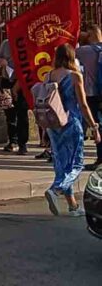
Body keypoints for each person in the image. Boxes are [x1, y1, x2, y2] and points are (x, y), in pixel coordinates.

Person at [43, 44, 102, 217]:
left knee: (62, 163)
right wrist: (94, 126)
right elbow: (83, 104)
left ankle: (72, 205)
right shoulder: (75, 76)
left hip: (54, 124)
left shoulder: (48, 76)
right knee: (76, 163)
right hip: (71, 122)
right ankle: (56, 189)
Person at [74, 23, 102, 168]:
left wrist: (78, 36)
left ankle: (100, 159)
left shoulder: (85, 51)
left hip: (94, 94)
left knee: (97, 126)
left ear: (89, 35)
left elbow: (67, 51)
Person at [0, 38, 29, 155]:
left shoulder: (26, 42)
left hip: (22, 81)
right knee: (10, 113)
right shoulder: (6, 43)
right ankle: (13, 141)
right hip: (7, 80)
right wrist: (2, 61)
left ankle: (22, 143)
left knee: (22, 113)